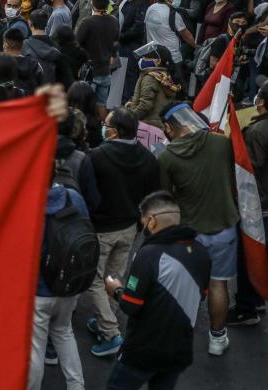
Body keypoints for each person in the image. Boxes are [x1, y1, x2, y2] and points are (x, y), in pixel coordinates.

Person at [104, 191, 210, 390]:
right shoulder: (201, 253)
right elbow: (201, 296)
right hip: (178, 350)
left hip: (142, 351)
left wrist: (116, 290)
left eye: (143, 221)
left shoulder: (148, 254)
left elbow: (131, 305)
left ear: (151, 221)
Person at [157, 102, 238, 355]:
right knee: (219, 285)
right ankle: (217, 337)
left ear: (169, 128)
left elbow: (164, 198)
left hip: (189, 232)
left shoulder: (166, 157)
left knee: (186, 285)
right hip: (224, 227)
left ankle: (182, 331)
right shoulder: (222, 144)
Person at [85, 107, 160, 357]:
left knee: (94, 280)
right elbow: (151, 198)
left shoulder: (97, 156)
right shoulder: (149, 160)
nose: (103, 126)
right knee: (114, 277)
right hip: (129, 229)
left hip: (102, 229)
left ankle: (110, 330)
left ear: (115, 131)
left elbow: (90, 194)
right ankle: (106, 316)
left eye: (107, 124)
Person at [27, 177, 87, 390]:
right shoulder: (75, 198)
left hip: (40, 290)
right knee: (64, 332)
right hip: (71, 283)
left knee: (36, 347)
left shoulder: (30, 204)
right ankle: (76, 385)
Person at [232, 83, 268, 324]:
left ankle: (247, 306)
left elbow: (249, 170)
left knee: (250, 255)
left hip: (258, 203)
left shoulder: (257, 132)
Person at [125, 44, 181, 130]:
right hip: (160, 125)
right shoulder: (164, 75)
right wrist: (133, 102)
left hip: (147, 126)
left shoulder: (149, 78)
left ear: (158, 61)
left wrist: (130, 118)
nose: (142, 60)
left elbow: (145, 105)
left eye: (146, 57)